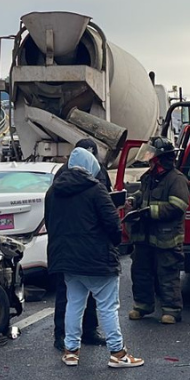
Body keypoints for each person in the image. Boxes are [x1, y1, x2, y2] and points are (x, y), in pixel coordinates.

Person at [45, 147, 143, 368]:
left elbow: (50, 224)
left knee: (74, 304)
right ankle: (117, 353)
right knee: (108, 306)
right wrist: (114, 243)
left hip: (67, 260)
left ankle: (71, 351)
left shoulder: (53, 192)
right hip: (97, 259)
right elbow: (112, 225)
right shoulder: (96, 190)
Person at [126, 136, 190, 325]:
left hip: (166, 236)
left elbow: (178, 206)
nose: (148, 158)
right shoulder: (149, 176)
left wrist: (150, 211)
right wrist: (133, 200)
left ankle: (172, 310)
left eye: (151, 155)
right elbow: (143, 193)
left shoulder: (176, 180)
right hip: (144, 235)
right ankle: (142, 306)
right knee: (140, 270)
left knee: (167, 273)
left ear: (160, 158)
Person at [52, 139, 108, 351]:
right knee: (69, 294)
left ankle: (87, 331)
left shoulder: (95, 172)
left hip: (74, 243)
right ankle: (63, 335)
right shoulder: (64, 177)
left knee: (83, 294)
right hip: (80, 242)